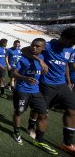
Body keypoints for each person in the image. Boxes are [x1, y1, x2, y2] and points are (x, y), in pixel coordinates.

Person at [23, 27, 75, 155]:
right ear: (63, 37)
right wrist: (40, 60)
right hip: (46, 85)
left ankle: (67, 143)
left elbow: (66, 65)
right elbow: (25, 50)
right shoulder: (48, 45)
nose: (72, 45)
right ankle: (34, 130)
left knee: (72, 110)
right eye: (71, 42)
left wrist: (68, 82)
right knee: (41, 112)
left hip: (62, 85)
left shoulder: (70, 49)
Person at [12, 38, 57, 155]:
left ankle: (39, 140)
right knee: (19, 111)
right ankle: (16, 132)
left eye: (37, 46)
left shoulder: (44, 57)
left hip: (36, 91)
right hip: (22, 90)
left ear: (43, 48)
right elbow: (13, 73)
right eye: (33, 45)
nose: (34, 47)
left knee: (43, 114)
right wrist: (24, 78)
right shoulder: (23, 57)